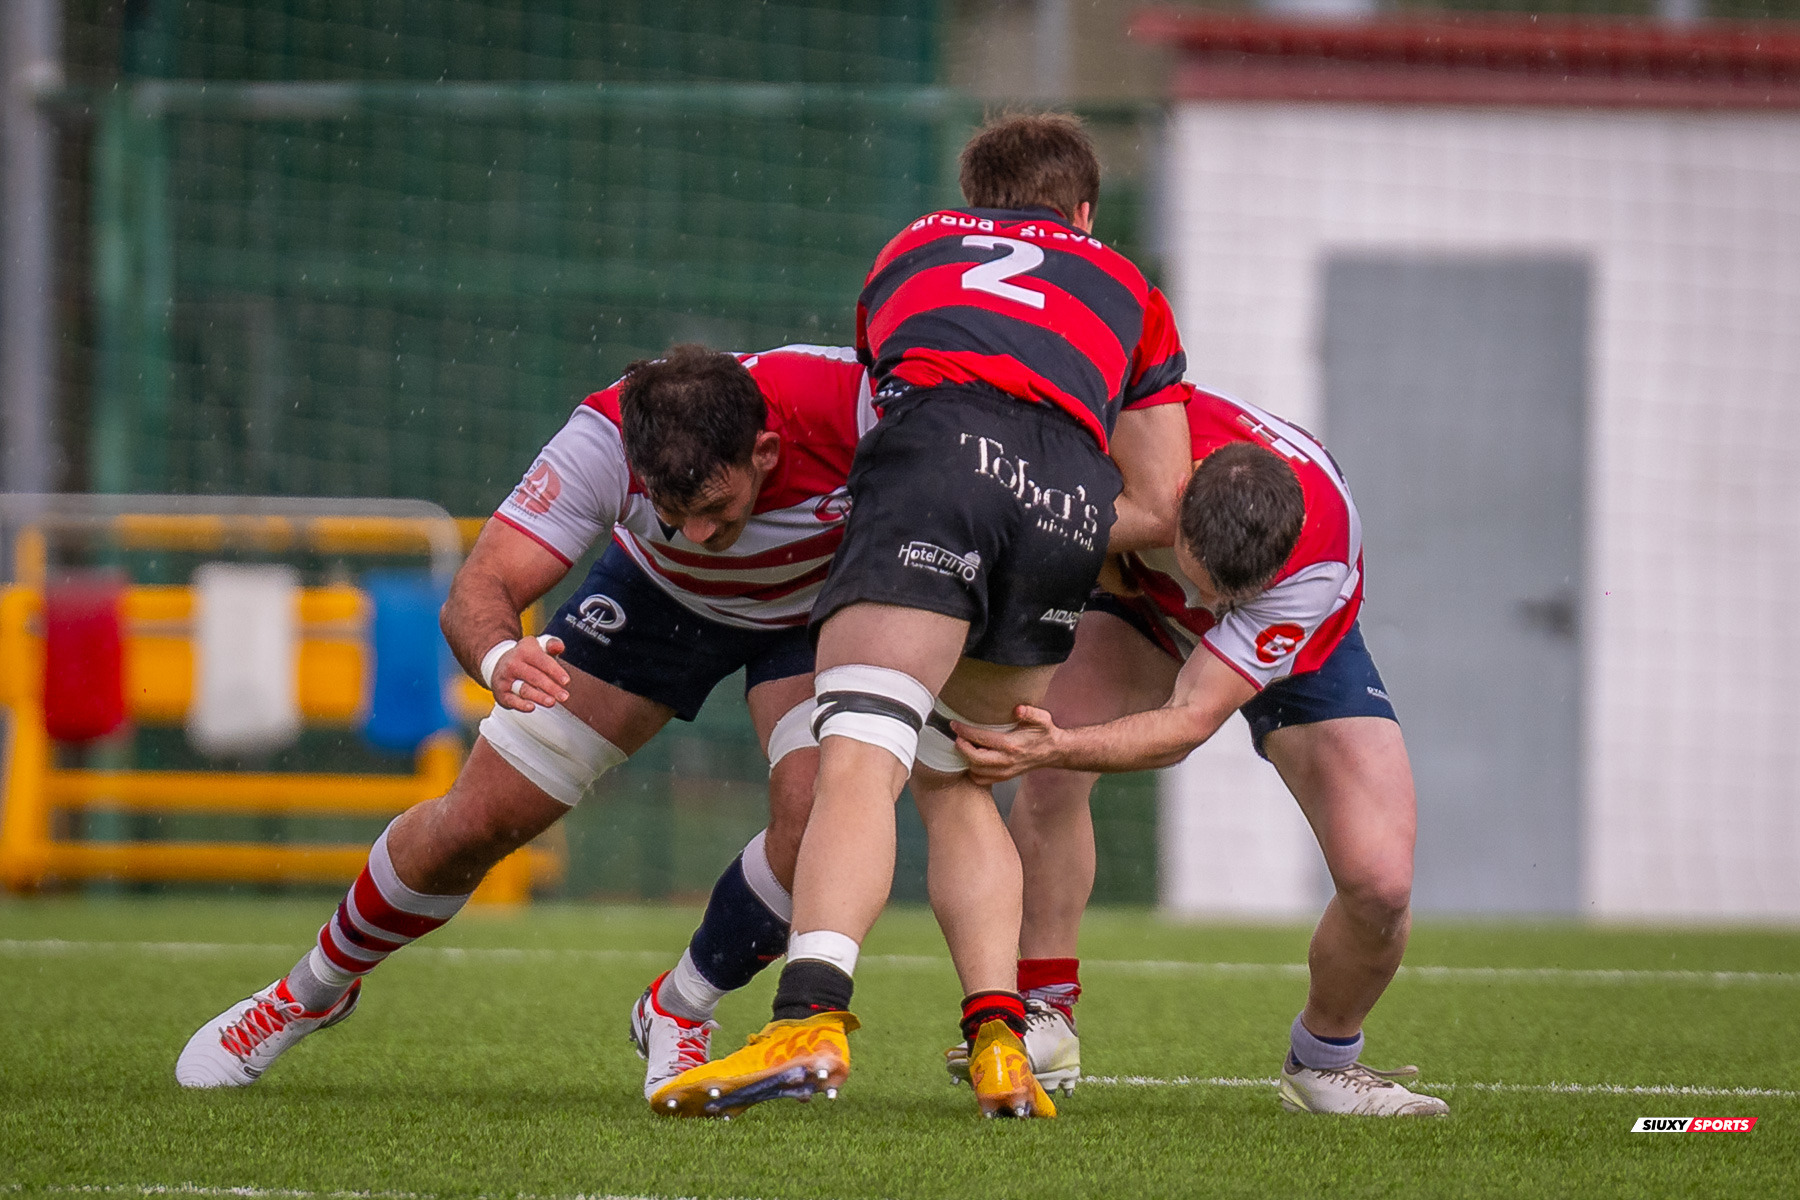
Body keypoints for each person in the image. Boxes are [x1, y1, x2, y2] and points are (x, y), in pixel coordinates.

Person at [653, 113, 1192, 1120]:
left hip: (941, 458)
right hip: (1069, 500)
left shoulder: (913, 245)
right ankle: (1000, 1038)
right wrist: (1046, 502)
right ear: (1084, 211)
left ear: (974, 197)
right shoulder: (1132, 290)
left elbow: (887, 389)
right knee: (958, 779)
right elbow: (1162, 504)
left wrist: (965, 477)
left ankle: (809, 1015)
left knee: (859, 753)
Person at [175, 343, 877, 1100]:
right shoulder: (602, 441)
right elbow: (482, 585)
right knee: (476, 822)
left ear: (766, 450)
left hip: (818, 613)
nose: (702, 535)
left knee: (817, 819)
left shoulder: (857, 403)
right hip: (657, 601)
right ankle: (308, 992)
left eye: (715, 510)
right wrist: (500, 655)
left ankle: (680, 1009)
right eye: (677, 517)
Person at [953, 383, 1449, 1117]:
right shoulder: (1131, 437)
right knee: (1054, 777)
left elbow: (1189, 720)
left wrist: (1056, 743)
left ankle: (1323, 1062)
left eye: (1227, 598)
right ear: (1177, 500)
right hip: (1145, 608)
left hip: (1302, 648)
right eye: (1206, 584)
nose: (1211, 608)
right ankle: (1047, 1013)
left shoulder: (1308, 568)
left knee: (1380, 885)